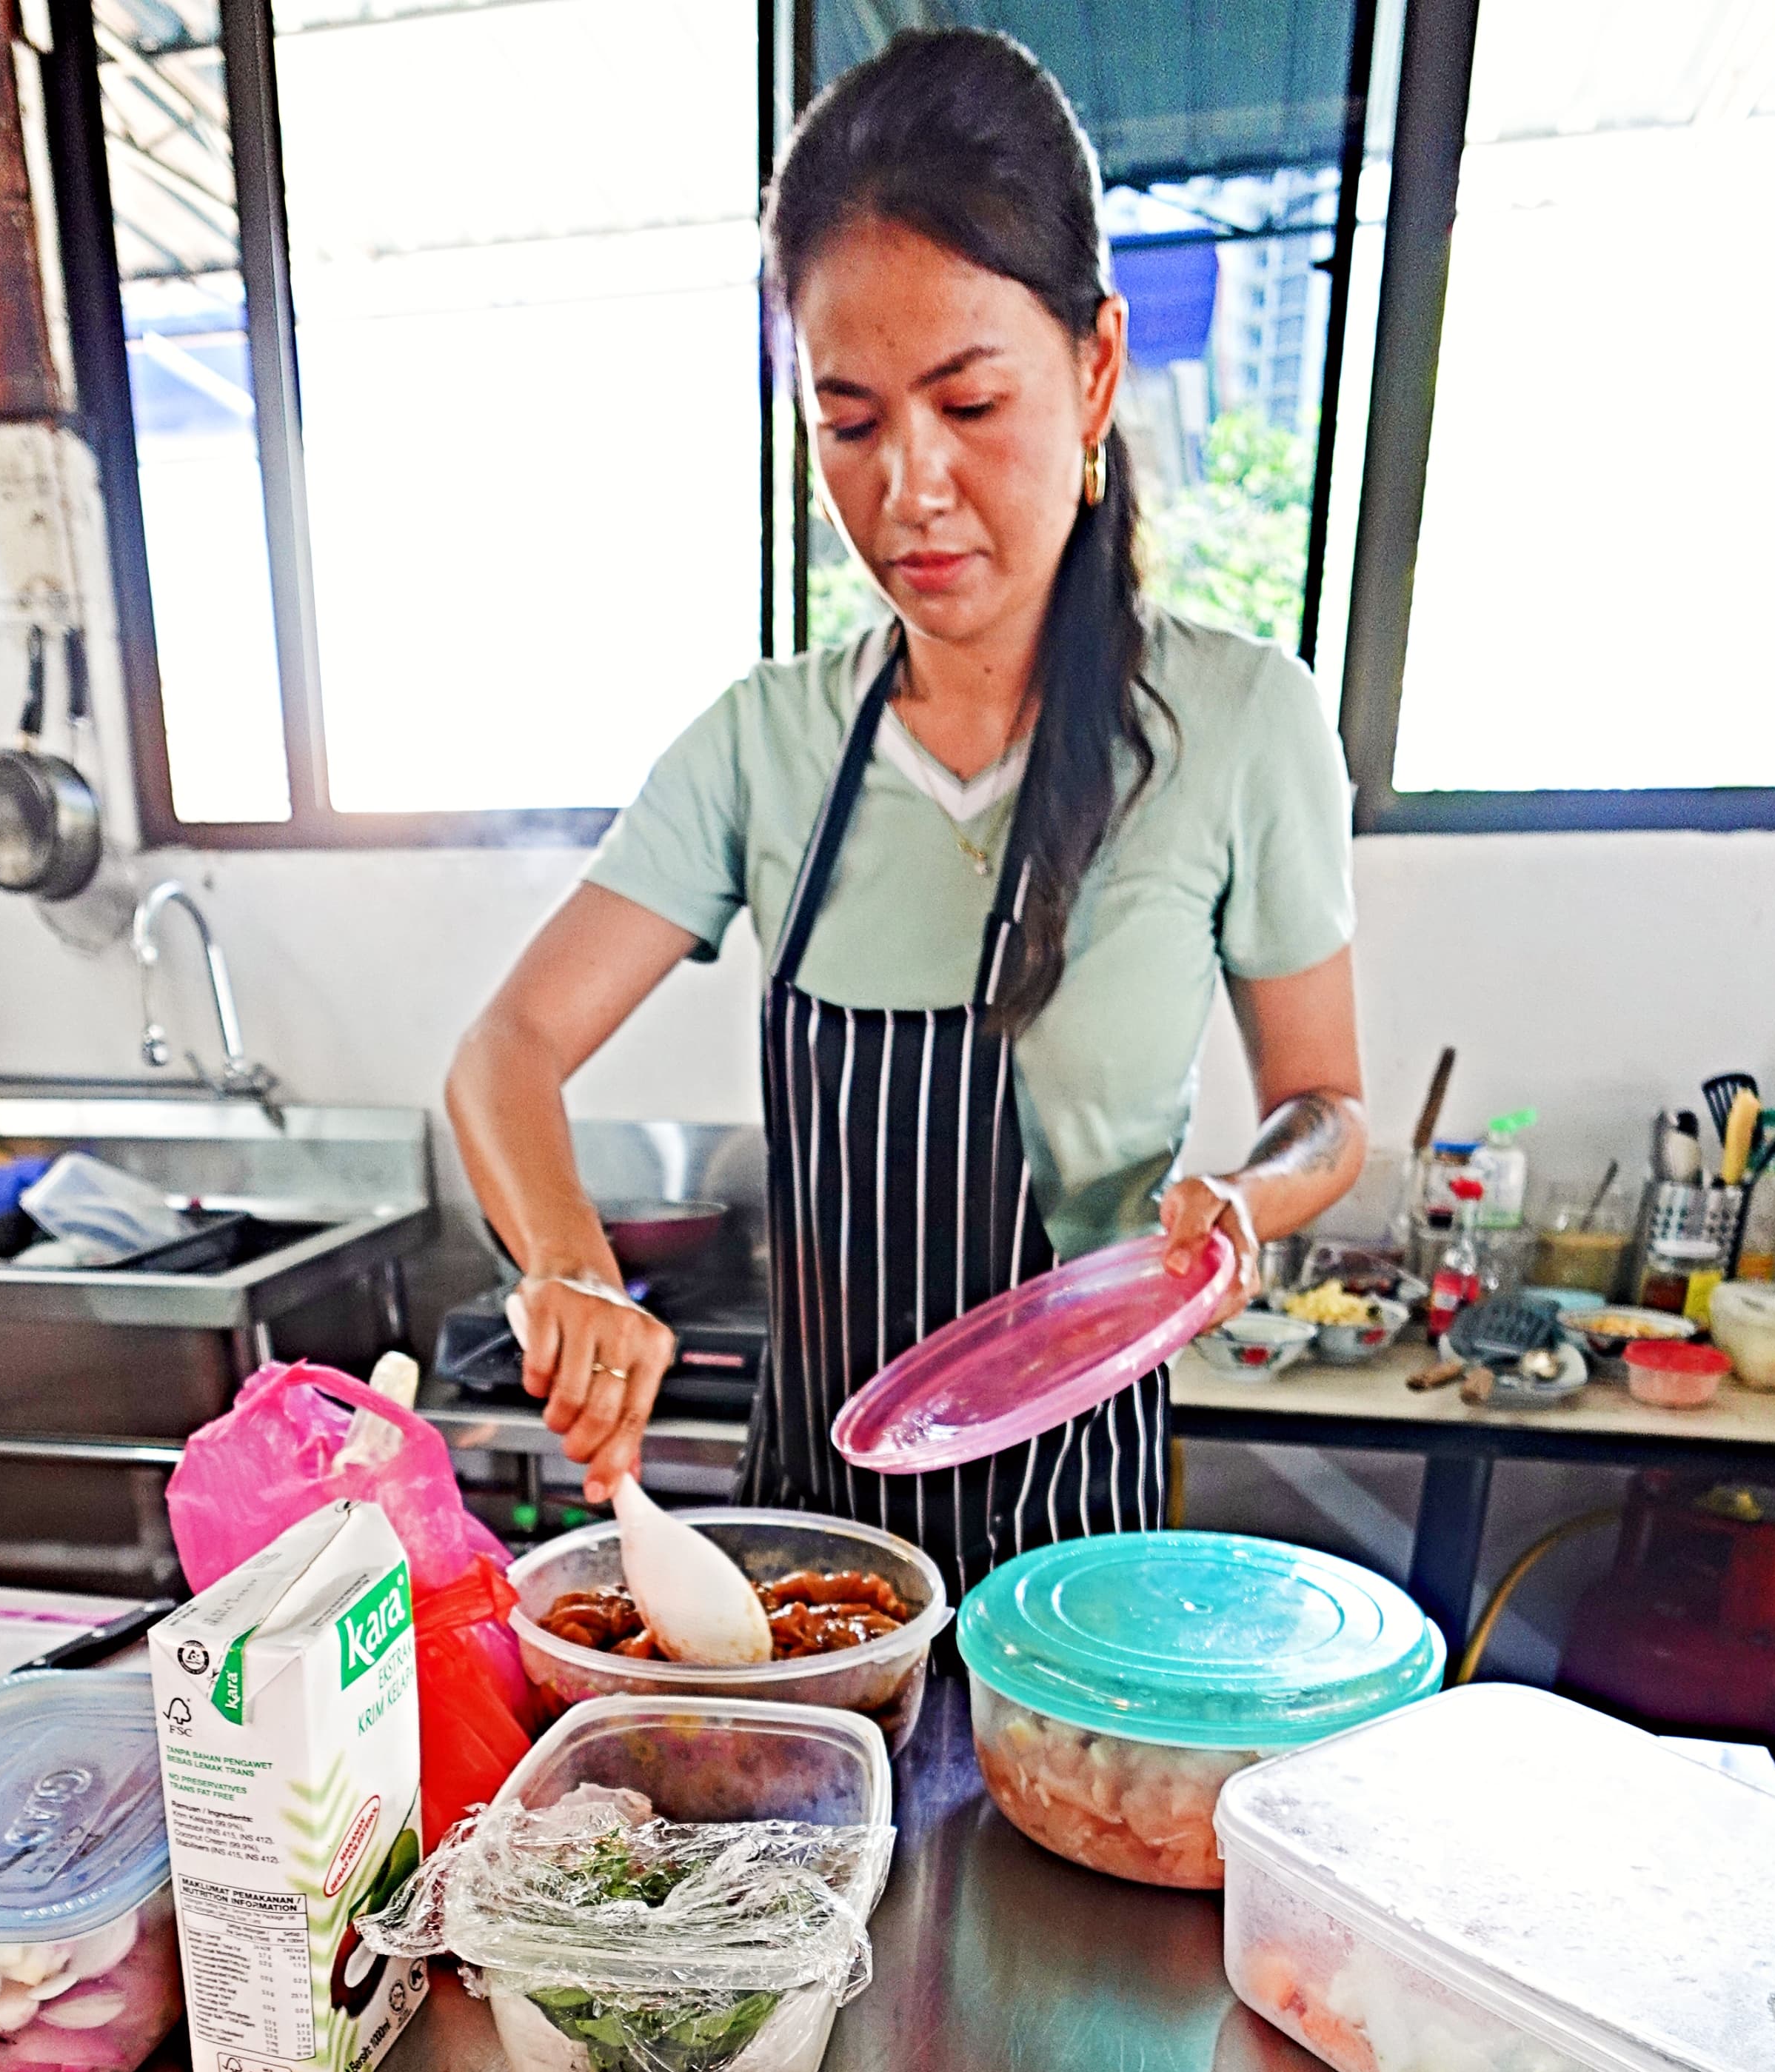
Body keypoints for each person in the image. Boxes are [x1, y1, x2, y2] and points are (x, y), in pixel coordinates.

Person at [447, 26, 1365, 1597]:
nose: (910, 490)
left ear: (1093, 370)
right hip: (809, 1556)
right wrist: (568, 1268)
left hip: (1072, 1554)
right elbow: (504, 1049)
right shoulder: (763, 744)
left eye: (969, 403)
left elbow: (1325, 1104)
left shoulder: (1237, 724)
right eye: (852, 422)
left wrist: (1248, 1194)